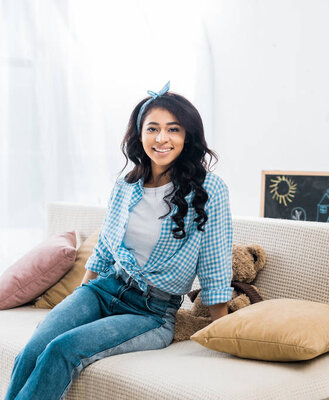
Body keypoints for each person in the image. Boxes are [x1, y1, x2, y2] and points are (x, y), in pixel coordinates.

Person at [4, 81, 234, 400]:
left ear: (187, 136)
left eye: (174, 129)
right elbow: (102, 253)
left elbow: (215, 268)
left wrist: (226, 340)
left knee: (62, 349)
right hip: (104, 289)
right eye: (152, 128)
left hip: (151, 312)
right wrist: (79, 301)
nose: (162, 138)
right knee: (35, 345)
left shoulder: (210, 190)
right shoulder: (127, 184)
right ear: (139, 134)